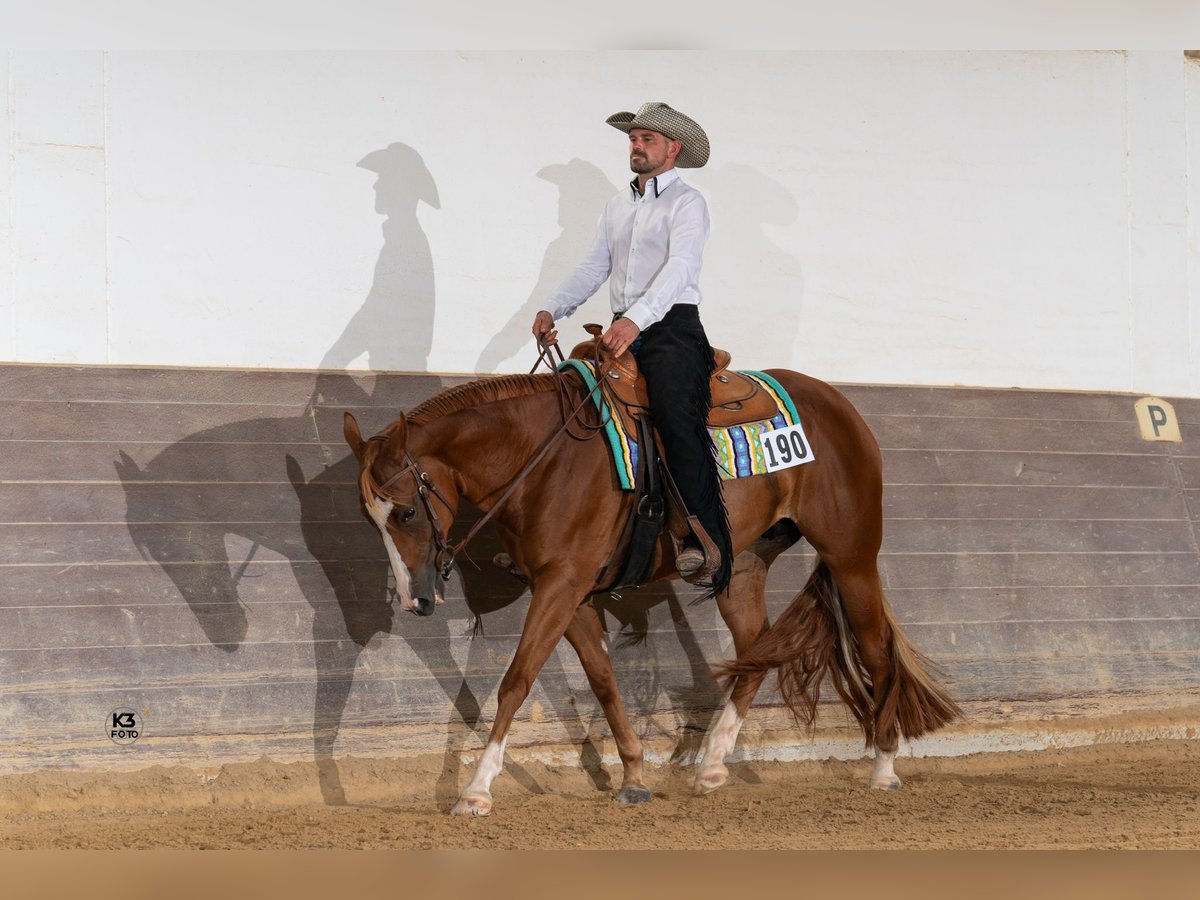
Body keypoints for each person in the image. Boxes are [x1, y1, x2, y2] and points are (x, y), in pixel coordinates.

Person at [531, 101, 732, 596]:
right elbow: (593, 267)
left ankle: (703, 538)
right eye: (633, 139)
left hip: (672, 328)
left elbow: (680, 267)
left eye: (646, 140)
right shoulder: (618, 206)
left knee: (673, 414)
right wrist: (553, 308)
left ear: (672, 149)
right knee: (566, 400)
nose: (636, 147)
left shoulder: (688, 203)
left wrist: (637, 320)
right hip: (624, 326)